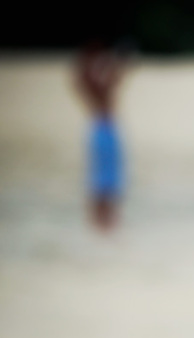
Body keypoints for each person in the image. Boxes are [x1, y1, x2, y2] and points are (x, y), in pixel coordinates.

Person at [74, 39, 126, 230]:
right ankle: (104, 223)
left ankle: (103, 223)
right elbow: (112, 79)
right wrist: (111, 62)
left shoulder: (92, 83)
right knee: (106, 181)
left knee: (104, 180)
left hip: (103, 129)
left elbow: (111, 78)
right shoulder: (96, 85)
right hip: (104, 130)